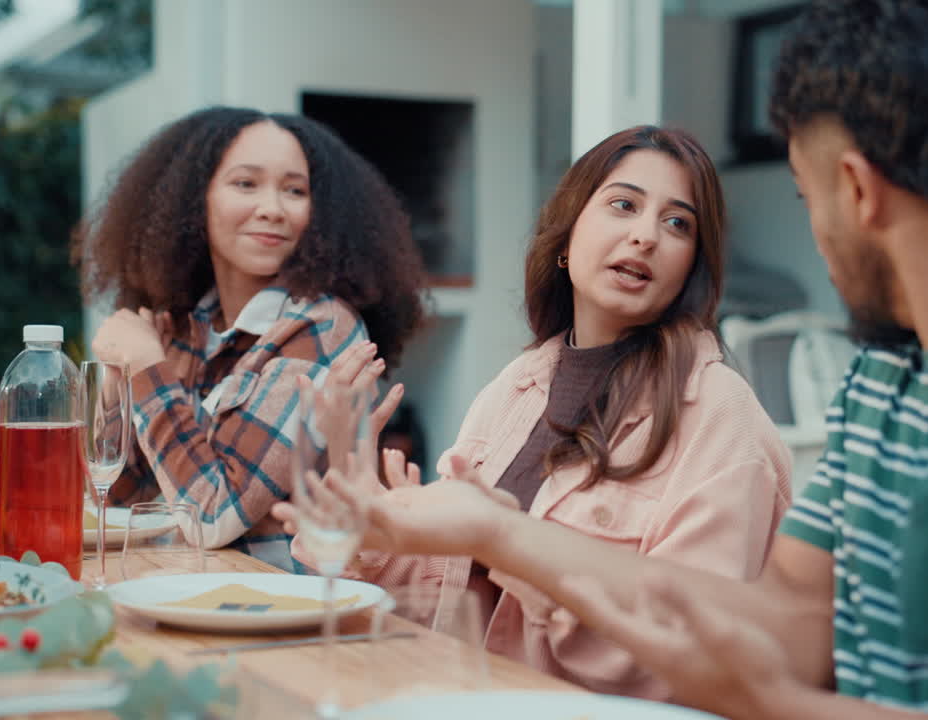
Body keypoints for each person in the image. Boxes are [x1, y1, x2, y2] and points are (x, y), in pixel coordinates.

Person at [532, 1, 928, 718]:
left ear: (859, 190)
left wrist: (776, 704)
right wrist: (502, 536)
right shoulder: (893, 359)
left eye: (808, 196)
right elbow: (793, 615)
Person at [274, 125, 794, 698]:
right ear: (567, 240)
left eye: (678, 223)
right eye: (624, 205)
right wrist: (372, 531)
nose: (646, 236)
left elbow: (691, 655)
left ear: (692, 267)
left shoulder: (722, 417)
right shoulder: (518, 386)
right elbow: (452, 596)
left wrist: (513, 546)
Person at [74, 106, 427, 572]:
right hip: (190, 590)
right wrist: (121, 389)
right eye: (246, 184)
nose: (272, 209)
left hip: (286, 612)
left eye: (294, 191)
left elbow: (211, 516)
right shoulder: (184, 325)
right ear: (192, 201)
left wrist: (144, 366)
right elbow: (118, 499)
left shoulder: (319, 328)